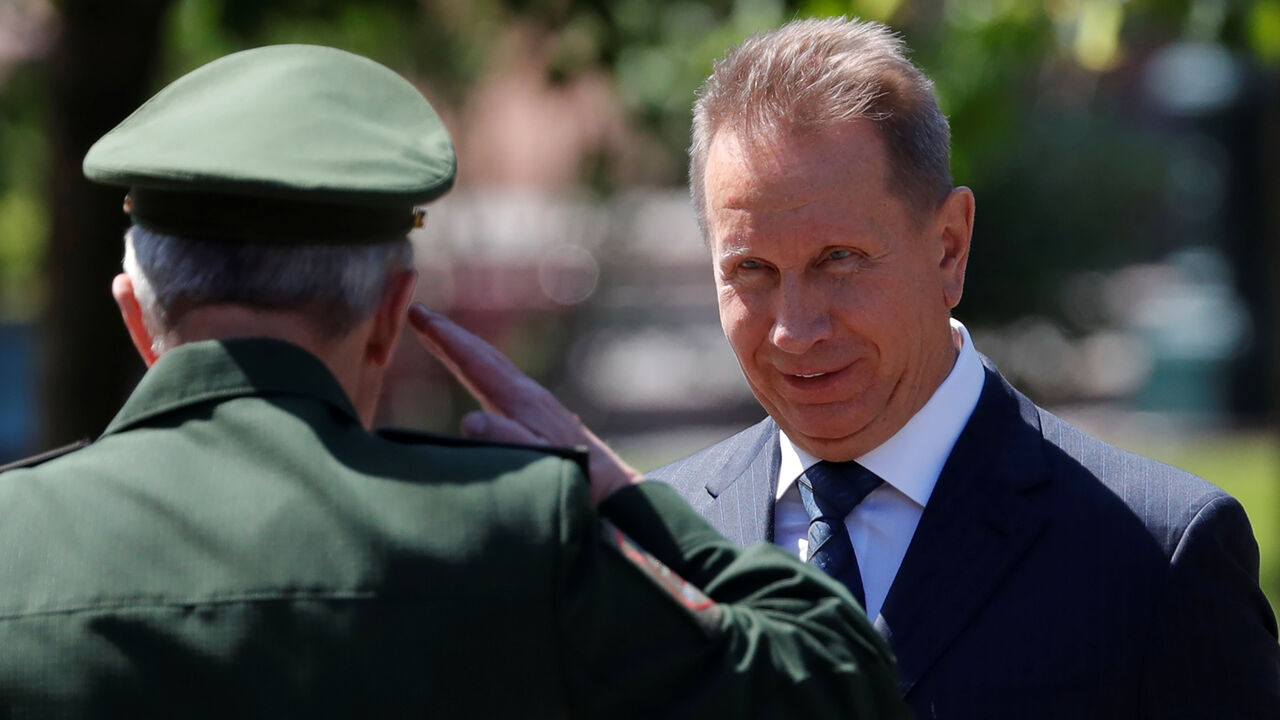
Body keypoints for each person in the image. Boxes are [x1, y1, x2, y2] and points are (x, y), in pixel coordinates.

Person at [0, 44, 910, 718]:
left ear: (134, 313)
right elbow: (833, 679)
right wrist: (616, 488)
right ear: (396, 312)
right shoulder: (508, 537)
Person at [648, 16, 1280, 718]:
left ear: (948, 248)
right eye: (752, 271)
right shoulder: (644, 550)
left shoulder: (1156, 555)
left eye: (840, 260)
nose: (796, 330)